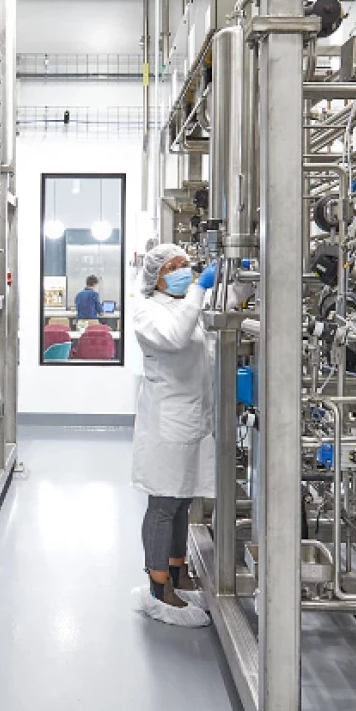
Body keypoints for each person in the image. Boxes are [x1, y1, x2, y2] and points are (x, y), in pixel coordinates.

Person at [127, 243, 219, 627]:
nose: (185, 270)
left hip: (192, 418)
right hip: (167, 422)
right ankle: (157, 590)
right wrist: (200, 287)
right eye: (175, 266)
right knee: (164, 504)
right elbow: (176, 338)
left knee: (182, 501)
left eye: (188, 264)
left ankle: (178, 575)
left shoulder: (185, 305)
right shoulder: (147, 309)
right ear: (157, 275)